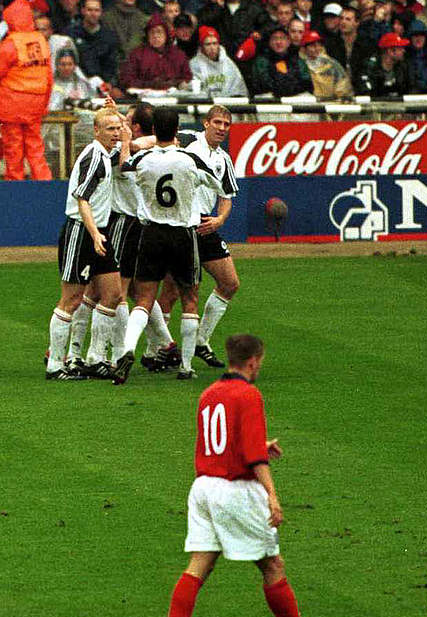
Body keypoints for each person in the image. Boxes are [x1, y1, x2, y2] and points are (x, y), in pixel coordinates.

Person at [158, 333, 336, 617]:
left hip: (203, 489)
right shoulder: (249, 395)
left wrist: (257, 446)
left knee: (199, 565)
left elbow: (221, 442)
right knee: (272, 564)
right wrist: (272, 494)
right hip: (234, 491)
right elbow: (254, 457)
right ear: (253, 361)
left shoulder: (209, 394)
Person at [112, 107, 229, 384]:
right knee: (190, 300)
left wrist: (128, 139)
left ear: (153, 132)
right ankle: (186, 366)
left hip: (151, 233)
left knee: (143, 299)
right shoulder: (190, 159)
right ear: (177, 131)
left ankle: (127, 350)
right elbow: (222, 185)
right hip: (183, 234)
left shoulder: (143, 159)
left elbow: (123, 164)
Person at [45, 108, 122, 380]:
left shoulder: (106, 153)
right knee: (71, 298)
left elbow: (125, 150)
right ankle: (56, 363)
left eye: (118, 128)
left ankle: (94, 357)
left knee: (113, 293)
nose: (116, 133)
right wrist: (94, 233)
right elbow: (82, 199)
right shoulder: (94, 158)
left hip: (98, 231)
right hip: (82, 231)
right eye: (110, 129)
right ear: (96, 131)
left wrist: (118, 116)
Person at [182, 106, 240, 371]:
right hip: (184, 225)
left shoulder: (223, 159)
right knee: (175, 292)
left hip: (208, 225)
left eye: (226, 124)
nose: (222, 128)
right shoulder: (188, 146)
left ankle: (200, 340)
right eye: (217, 122)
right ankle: (159, 349)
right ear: (205, 124)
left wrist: (219, 219)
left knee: (229, 283)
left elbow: (226, 196)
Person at [0, 0, 53, 180]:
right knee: (36, 149)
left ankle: (15, 188)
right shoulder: (41, 41)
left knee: (14, 150)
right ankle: (45, 186)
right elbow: (48, 77)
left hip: (11, 105)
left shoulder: (11, 44)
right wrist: (44, 104)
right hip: (35, 103)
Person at [121, 18, 192, 90]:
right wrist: (150, 84)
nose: (155, 36)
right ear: (147, 35)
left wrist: (175, 83)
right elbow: (127, 79)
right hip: (144, 96)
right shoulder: (137, 54)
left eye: (159, 32)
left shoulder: (178, 54)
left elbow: (187, 78)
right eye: (152, 32)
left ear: (166, 34)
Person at [67, 0, 121, 94]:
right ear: (83, 11)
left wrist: (109, 83)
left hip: (102, 84)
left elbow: (112, 64)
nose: (93, 14)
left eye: (96, 10)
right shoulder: (71, 33)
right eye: (90, 10)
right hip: (77, 82)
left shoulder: (109, 36)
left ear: (101, 12)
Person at [250, 25, 310, 95]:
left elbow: (307, 83)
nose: (278, 42)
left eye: (282, 38)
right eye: (274, 38)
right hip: (270, 100)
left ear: (288, 42)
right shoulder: (261, 61)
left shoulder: (297, 60)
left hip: (295, 98)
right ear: (269, 42)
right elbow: (262, 84)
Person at [191, 25, 249, 96]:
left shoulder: (228, 63)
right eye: (208, 44)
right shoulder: (195, 65)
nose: (212, 48)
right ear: (202, 46)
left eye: (215, 43)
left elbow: (239, 88)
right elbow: (195, 91)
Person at [301, 28, 354, 97]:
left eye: (319, 45)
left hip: (331, 104)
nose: (317, 49)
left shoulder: (332, 65)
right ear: (304, 48)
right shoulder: (299, 65)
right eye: (312, 46)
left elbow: (343, 86)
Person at [325, 6, 376, 71]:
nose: (343, 22)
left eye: (348, 19)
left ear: (357, 22)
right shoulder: (330, 43)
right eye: (341, 18)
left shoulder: (367, 43)